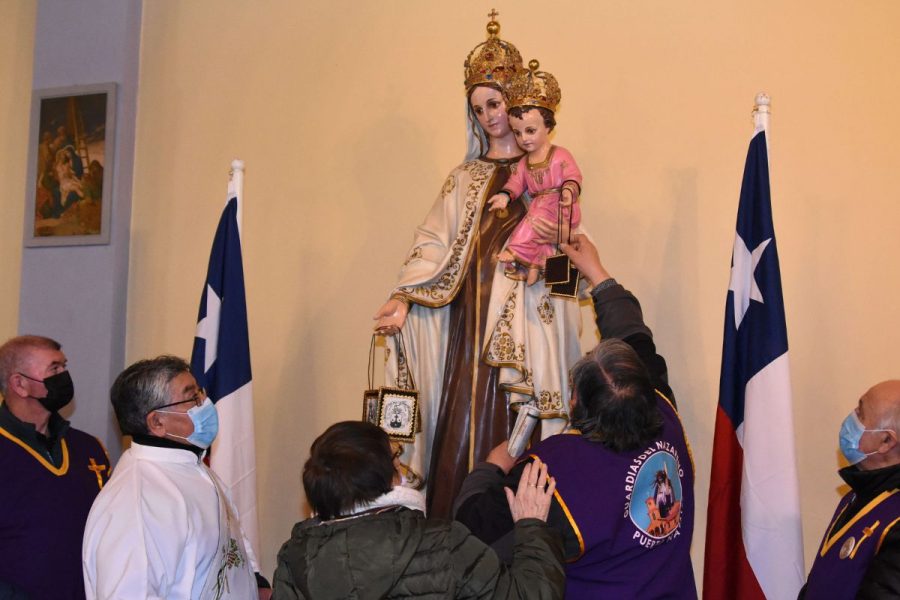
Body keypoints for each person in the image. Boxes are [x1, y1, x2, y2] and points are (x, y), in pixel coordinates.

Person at [373, 12, 585, 519]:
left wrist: (557, 291)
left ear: (518, 104)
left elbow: (571, 252)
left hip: (526, 335)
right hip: (466, 339)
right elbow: (432, 244)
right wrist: (403, 297)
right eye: (479, 108)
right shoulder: (465, 178)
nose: (490, 116)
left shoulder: (549, 172)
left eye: (497, 103)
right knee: (460, 435)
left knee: (517, 437)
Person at [455, 235, 698, 599]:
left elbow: (471, 527)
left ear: (575, 403)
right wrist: (597, 273)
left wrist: (489, 469)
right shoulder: (663, 412)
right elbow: (634, 334)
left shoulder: (555, 469)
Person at [272, 420, 564, 599]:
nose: (400, 464)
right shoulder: (443, 544)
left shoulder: (296, 557)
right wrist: (532, 526)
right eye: (395, 458)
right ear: (390, 478)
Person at [82, 355, 270, 599]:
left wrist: (256, 582)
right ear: (157, 422)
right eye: (192, 397)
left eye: (199, 394)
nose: (204, 404)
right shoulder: (137, 501)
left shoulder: (192, 467)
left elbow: (229, 537)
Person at [0, 335, 111, 600]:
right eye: (54, 369)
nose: (65, 376)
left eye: (64, 366)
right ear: (20, 384)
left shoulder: (90, 448)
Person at [799, 381, 900, 598]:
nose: (851, 418)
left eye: (860, 414)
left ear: (886, 441)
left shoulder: (895, 521)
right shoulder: (854, 497)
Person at [488, 60, 582, 286]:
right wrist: (504, 196)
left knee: (537, 226)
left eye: (530, 131)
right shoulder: (524, 163)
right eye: (518, 133)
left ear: (548, 127)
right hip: (541, 207)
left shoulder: (560, 155)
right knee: (537, 231)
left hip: (561, 207)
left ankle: (520, 256)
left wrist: (569, 190)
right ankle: (533, 268)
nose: (524, 139)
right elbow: (516, 182)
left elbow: (573, 175)